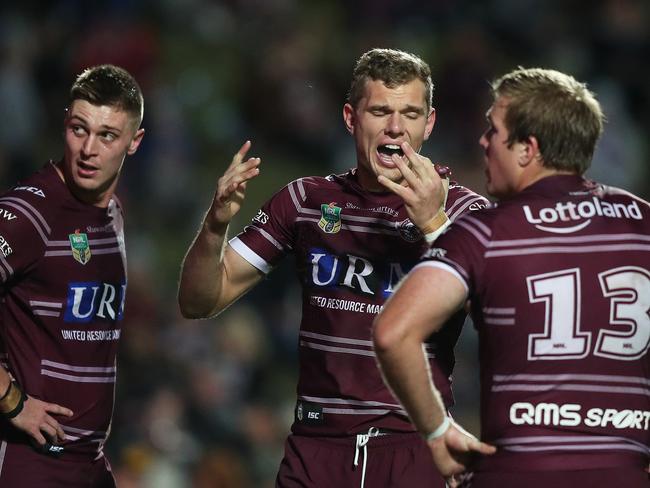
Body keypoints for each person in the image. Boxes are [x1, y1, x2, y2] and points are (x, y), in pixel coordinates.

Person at [179, 48, 487, 487]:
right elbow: (199, 301)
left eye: (410, 113)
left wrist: (435, 226)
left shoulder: (465, 211)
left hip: (412, 449)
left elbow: (500, 321)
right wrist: (214, 227)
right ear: (350, 118)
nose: (395, 127)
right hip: (317, 448)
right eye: (380, 111)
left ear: (429, 123)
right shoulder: (306, 202)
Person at [373, 67, 650, 487]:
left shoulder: (487, 230)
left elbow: (394, 333)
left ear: (527, 149)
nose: (483, 143)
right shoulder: (643, 222)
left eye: (494, 130)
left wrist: (436, 431)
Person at [0, 65, 145, 486]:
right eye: (79, 129)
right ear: (65, 123)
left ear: (134, 142)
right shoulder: (29, 214)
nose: (88, 149)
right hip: (29, 462)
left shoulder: (112, 213)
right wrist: (12, 402)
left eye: (106, 136)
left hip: (88, 463)